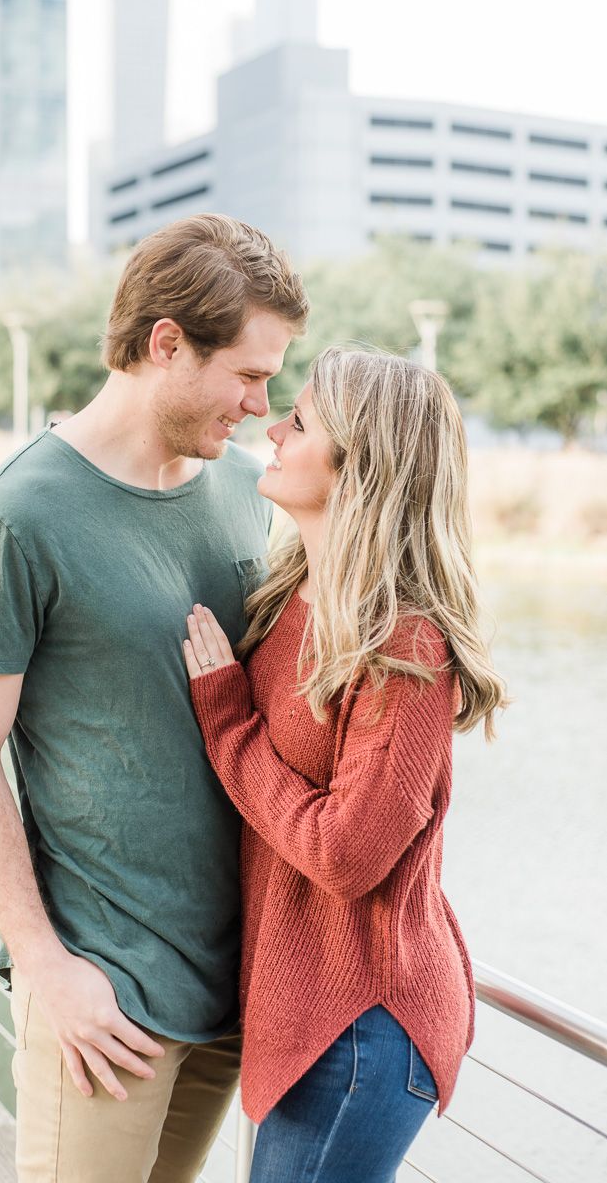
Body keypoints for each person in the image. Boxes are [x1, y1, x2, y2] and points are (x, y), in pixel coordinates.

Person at [0, 213, 309, 1183]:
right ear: (166, 343)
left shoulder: (246, 490)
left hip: (234, 988)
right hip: (105, 996)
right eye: (248, 375)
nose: (262, 405)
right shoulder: (14, 519)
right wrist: (46, 968)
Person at [183, 347, 508, 1183]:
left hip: (361, 1027)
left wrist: (226, 720)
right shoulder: (287, 596)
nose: (272, 428)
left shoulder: (405, 645)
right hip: (301, 1008)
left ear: (356, 462)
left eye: (299, 422)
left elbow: (344, 854)